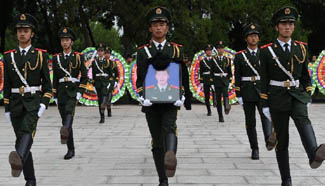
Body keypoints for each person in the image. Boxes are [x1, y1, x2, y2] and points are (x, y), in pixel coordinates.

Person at [260, 6, 325, 186]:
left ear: (294, 27)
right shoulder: (267, 51)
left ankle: (314, 153)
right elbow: (263, 79)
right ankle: (286, 179)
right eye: (283, 23)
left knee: (303, 120)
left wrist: (308, 93)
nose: (287, 27)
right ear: (277, 27)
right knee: (282, 141)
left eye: (290, 23)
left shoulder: (301, 49)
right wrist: (264, 104)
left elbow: (305, 76)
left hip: (297, 96)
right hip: (277, 97)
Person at [136, 6, 191, 186]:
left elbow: (182, 74)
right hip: (151, 102)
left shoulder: (176, 50)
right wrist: (142, 94)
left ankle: (171, 156)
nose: (159, 28)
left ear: (167, 27)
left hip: (170, 101)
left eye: (162, 24)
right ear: (150, 28)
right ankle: (162, 178)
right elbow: (140, 78)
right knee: (156, 139)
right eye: (155, 25)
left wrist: (182, 94)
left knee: (169, 127)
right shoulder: (143, 52)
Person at [3, 13, 52, 186]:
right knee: (22, 140)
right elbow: (6, 86)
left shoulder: (40, 56)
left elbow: (47, 85)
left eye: (26, 30)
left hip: (32, 103)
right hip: (15, 104)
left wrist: (43, 105)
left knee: (26, 133)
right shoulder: (8, 57)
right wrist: (7, 108)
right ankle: (30, 180)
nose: (22, 34)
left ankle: (18, 163)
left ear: (32, 33)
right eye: (19, 31)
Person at [234, 23, 276, 160]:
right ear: (246, 39)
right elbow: (237, 76)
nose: (254, 38)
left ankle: (268, 139)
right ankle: (254, 148)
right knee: (250, 122)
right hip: (247, 92)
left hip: (262, 90)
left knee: (266, 116)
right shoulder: (240, 56)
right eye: (251, 36)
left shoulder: (264, 53)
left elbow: (269, 73)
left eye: (256, 36)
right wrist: (238, 94)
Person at [52, 27, 88, 160]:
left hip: (73, 92)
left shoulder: (78, 57)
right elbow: (55, 78)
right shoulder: (56, 58)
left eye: (67, 40)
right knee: (65, 121)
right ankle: (70, 148)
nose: (65, 43)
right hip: (61, 92)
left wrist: (80, 92)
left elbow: (84, 77)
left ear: (71, 42)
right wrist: (54, 95)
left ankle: (65, 131)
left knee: (69, 114)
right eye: (63, 40)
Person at [92, 43, 113, 123]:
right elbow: (93, 74)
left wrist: (110, 83)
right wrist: (93, 84)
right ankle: (102, 116)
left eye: (101, 51)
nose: (100, 52)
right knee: (100, 100)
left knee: (104, 99)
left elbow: (111, 75)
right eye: (99, 51)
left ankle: (104, 111)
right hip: (98, 83)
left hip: (105, 83)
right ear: (97, 52)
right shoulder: (94, 62)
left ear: (104, 52)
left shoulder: (108, 62)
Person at [212, 41, 232, 122]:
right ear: (217, 50)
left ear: (224, 50)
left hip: (225, 80)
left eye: (222, 48)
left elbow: (229, 71)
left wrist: (230, 81)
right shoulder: (214, 60)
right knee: (218, 99)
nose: (220, 50)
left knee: (226, 94)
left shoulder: (227, 60)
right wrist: (211, 82)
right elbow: (211, 71)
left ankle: (227, 106)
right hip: (216, 80)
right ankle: (220, 116)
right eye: (219, 49)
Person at [199, 44, 214, 116]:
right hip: (206, 79)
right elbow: (201, 71)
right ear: (205, 52)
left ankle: (215, 102)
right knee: (207, 96)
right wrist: (201, 81)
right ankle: (209, 110)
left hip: (214, 79)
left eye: (210, 50)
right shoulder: (202, 61)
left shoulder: (215, 59)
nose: (209, 52)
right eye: (207, 51)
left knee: (216, 93)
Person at [104, 46, 118, 117]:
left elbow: (117, 74)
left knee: (109, 96)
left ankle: (109, 109)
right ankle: (103, 111)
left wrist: (116, 81)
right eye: (105, 53)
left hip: (111, 82)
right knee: (103, 97)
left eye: (108, 53)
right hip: (103, 82)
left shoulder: (113, 63)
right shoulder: (100, 62)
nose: (107, 54)